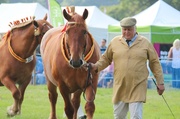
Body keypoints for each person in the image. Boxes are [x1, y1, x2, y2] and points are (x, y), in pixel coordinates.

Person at [87, 17, 165, 119]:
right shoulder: (115, 42)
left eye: (129, 29)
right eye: (124, 29)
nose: (126, 32)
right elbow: (105, 59)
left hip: (138, 85)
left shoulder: (145, 43)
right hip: (120, 86)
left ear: (135, 29)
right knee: (118, 116)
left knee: (136, 116)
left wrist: (160, 82)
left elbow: (154, 62)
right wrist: (95, 66)